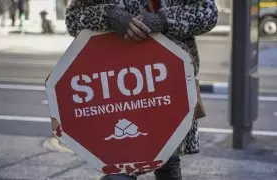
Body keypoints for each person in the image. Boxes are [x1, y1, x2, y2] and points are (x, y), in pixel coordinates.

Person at [65, 0, 218, 179]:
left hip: (170, 86)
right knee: (122, 166)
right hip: (122, 89)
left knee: (168, 161)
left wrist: (163, 21)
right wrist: (109, 16)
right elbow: (73, 20)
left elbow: (208, 12)